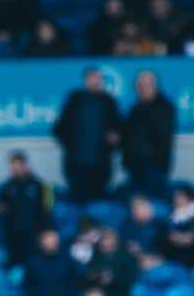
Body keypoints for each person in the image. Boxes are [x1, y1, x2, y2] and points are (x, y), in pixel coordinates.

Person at [52, 67, 122, 204]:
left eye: (98, 78)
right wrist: (72, 147)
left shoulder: (109, 102)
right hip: (77, 165)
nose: (95, 81)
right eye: (91, 78)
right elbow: (59, 129)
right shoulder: (74, 100)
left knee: (100, 204)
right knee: (78, 203)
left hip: (100, 165)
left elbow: (118, 130)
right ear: (85, 80)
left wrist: (114, 140)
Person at [121, 70, 176, 199]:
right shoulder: (135, 109)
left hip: (154, 167)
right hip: (135, 166)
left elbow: (161, 137)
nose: (142, 88)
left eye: (146, 85)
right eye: (140, 85)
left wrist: (148, 153)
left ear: (155, 86)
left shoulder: (164, 108)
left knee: (154, 202)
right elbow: (128, 135)